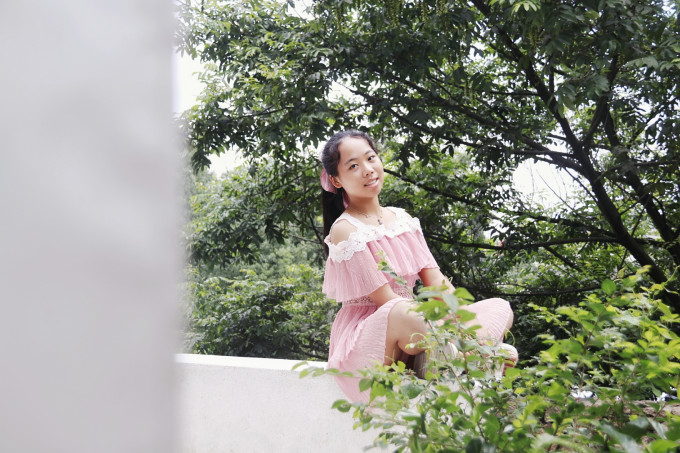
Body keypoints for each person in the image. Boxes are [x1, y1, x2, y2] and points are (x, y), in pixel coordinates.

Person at [320, 130, 517, 403]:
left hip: (416, 329)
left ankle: (449, 354)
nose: (367, 170)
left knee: (499, 307)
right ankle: (465, 355)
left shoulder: (402, 220)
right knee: (403, 310)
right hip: (374, 336)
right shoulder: (345, 229)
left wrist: (463, 321)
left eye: (371, 158)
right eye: (353, 166)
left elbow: (438, 284)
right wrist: (443, 327)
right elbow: (386, 300)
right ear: (336, 180)